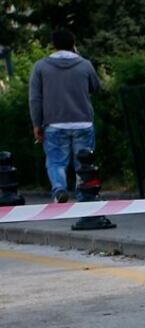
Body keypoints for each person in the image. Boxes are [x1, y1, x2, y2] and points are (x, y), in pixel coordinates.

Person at [28, 29, 101, 204]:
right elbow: (97, 88)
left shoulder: (40, 67)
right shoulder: (85, 64)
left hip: (54, 123)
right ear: (73, 44)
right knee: (83, 163)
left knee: (56, 162)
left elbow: (35, 98)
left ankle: (59, 190)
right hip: (83, 122)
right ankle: (84, 194)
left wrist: (37, 124)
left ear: (53, 45)